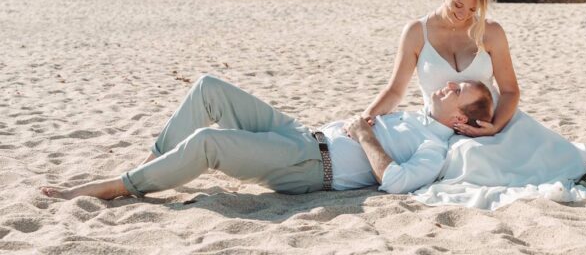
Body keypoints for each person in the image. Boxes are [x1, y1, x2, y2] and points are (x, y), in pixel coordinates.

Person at [39, 74, 493, 201]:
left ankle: (122, 185)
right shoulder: (416, 115)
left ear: (460, 122)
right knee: (207, 88)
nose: (446, 86)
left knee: (208, 143)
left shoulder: (435, 147)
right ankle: (156, 164)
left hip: (311, 166)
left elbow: (396, 183)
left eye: (456, 92)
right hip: (299, 132)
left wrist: (364, 137)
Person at [362, 0, 586, 203]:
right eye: (458, 4)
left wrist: (495, 127)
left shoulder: (491, 32)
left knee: (564, 165)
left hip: (499, 125)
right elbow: (395, 90)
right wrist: (367, 116)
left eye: (472, 10)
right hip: (441, 131)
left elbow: (510, 91)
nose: (463, 15)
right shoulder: (416, 32)